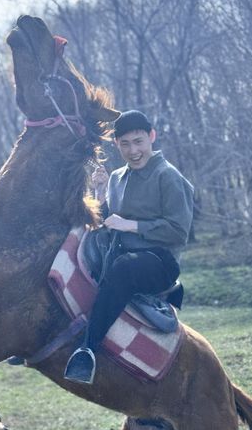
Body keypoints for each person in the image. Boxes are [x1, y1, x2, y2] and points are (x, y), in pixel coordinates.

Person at [64, 109, 194, 384]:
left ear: (151, 136)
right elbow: (107, 221)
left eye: (138, 141)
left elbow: (178, 232)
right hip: (119, 254)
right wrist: (100, 192)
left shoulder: (168, 176)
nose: (133, 151)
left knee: (124, 267)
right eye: (125, 144)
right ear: (116, 144)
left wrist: (130, 225)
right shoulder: (116, 177)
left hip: (159, 261)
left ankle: (87, 350)